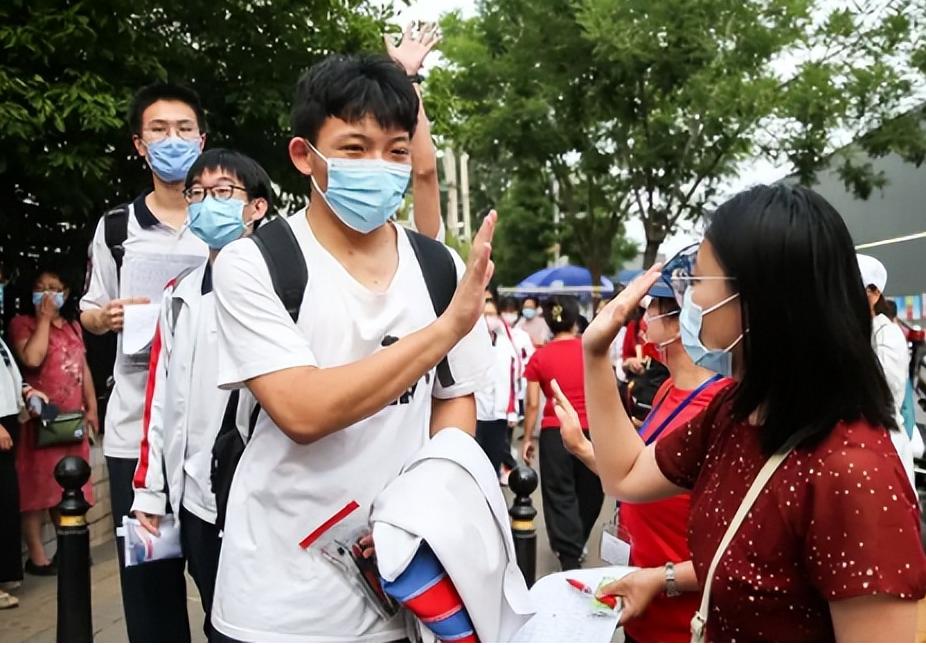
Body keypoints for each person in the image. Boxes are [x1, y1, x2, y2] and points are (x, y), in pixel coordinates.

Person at [552, 184, 926, 642]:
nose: (692, 302)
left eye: (699, 282)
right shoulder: (735, 413)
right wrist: (594, 352)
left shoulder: (854, 472)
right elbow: (625, 475)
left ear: (760, 299)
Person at [208, 53, 495, 642]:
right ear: (303, 155)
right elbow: (303, 410)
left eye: (396, 151)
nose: (379, 167)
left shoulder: (436, 266)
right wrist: (444, 331)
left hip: (402, 588)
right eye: (355, 149)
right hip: (279, 600)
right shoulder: (256, 263)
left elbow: (455, 396)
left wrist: (420, 507)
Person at [79, 82, 209, 642]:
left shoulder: (226, 225)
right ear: (140, 144)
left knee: (224, 582)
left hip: (211, 440)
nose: (172, 140)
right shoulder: (116, 228)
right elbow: (87, 311)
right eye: (159, 130)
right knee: (150, 593)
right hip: (135, 438)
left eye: (184, 129)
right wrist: (104, 317)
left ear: (202, 140)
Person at [129, 149, 272, 640]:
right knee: (215, 618)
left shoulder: (281, 285)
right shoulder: (180, 294)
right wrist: (149, 492)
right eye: (198, 194)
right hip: (195, 498)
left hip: (261, 494)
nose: (209, 203)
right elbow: (159, 401)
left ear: (257, 207)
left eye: (223, 192)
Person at [559, 280, 731, 642]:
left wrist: (661, 579)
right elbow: (637, 475)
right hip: (639, 612)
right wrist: (581, 447)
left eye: (652, 307)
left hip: (684, 628)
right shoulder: (668, 389)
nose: (643, 318)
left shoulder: (721, 409)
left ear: (681, 320)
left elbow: (738, 554)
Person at [9, 269, 97, 576]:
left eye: (55, 288)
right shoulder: (22, 324)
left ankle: (70, 548)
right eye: (41, 288)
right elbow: (32, 359)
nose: (48, 294)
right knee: (37, 488)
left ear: (66, 293)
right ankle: (38, 557)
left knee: (71, 485)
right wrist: (44, 320)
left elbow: (83, 367)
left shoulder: (73, 325)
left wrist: (92, 407)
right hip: (41, 420)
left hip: (72, 420)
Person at [521, 295, 604, 571]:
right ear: (574, 320)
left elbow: (533, 404)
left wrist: (527, 438)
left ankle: (569, 554)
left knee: (559, 494)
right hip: (591, 429)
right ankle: (577, 541)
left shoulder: (539, 357)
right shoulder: (590, 350)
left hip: (554, 431)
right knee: (593, 490)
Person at [857, 254, 915, 490]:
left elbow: (882, 393)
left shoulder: (886, 334)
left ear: (874, 293)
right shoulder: (860, 331)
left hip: (882, 442)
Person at [0, 334, 47, 609]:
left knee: (7, 503)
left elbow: (9, 371)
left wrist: (27, 392)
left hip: (9, 420)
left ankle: (5, 575)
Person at [475, 299, 518, 477]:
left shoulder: (505, 345)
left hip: (498, 415)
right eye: (484, 314)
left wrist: (512, 410)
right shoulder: (469, 343)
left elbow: (513, 378)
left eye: (492, 314)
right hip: (475, 414)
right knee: (475, 462)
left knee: (493, 463)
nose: (488, 319)